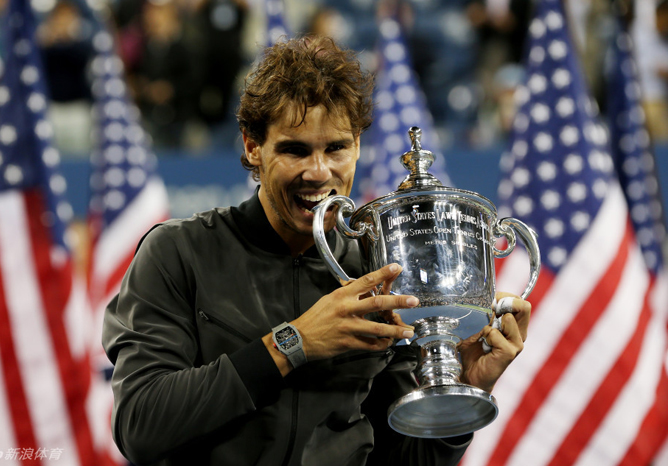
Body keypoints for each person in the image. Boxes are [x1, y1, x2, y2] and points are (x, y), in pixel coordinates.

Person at [102, 36, 532, 466]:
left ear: (358, 147)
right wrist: (295, 343)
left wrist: (463, 396)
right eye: (295, 149)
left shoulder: (378, 266)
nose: (318, 171)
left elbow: (404, 458)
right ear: (253, 147)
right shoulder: (177, 252)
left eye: (336, 148)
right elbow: (141, 426)